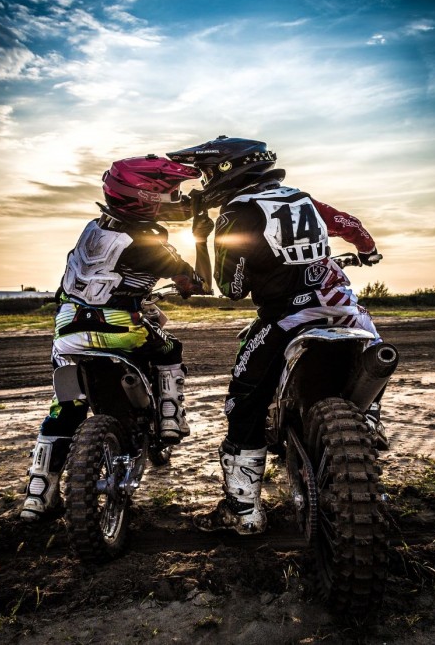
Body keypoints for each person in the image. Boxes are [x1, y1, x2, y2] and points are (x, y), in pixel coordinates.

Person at [166, 136, 387, 536]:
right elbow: (347, 223)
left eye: (207, 173)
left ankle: (243, 511)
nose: (205, 182)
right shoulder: (302, 198)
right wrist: (367, 250)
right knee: (373, 360)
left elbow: (232, 289)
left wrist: (202, 240)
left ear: (228, 171)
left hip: (288, 318)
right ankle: (369, 420)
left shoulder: (237, 212)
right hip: (345, 311)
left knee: (243, 402)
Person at [20, 155, 209, 522]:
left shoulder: (93, 229)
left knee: (65, 409)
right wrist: (200, 237)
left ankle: (38, 494)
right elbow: (196, 285)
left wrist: (190, 208)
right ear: (147, 198)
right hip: (119, 328)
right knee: (170, 348)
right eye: (170, 193)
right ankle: (170, 417)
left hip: (68, 331)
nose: (175, 199)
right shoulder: (149, 244)